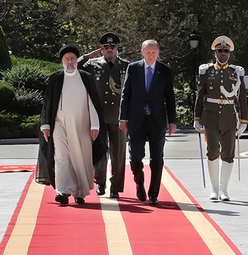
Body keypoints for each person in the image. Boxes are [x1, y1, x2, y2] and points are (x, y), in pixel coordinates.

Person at [36, 44, 106, 205]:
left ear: (76, 60)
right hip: (59, 124)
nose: (70, 62)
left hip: (82, 125)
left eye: (73, 58)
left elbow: (93, 102)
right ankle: (63, 191)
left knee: (80, 158)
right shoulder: (55, 78)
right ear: (62, 60)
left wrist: (95, 124)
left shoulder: (86, 77)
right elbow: (48, 103)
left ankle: (79, 192)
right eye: (67, 59)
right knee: (61, 157)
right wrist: (45, 124)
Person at [119, 39, 177, 205]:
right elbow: (126, 94)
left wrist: (172, 121)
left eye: (154, 52)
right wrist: (123, 118)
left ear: (158, 52)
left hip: (157, 120)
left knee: (157, 159)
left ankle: (154, 194)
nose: (151, 55)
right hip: (136, 120)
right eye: (148, 52)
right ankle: (139, 184)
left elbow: (170, 98)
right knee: (136, 157)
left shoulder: (164, 70)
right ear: (142, 52)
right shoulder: (133, 68)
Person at [193, 36, 248, 202]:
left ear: (229, 53)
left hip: (229, 117)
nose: (223, 53)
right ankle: (214, 188)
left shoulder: (236, 72)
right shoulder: (207, 71)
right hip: (209, 116)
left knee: (228, 154)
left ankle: (224, 189)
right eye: (220, 51)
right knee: (212, 151)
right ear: (215, 53)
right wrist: (197, 117)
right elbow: (200, 94)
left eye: (226, 51)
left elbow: (242, 97)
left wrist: (244, 120)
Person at [77, 32, 129, 198]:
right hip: (99, 116)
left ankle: (116, 187)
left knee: (118, 154)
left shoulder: (126, 65)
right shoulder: (93, 64)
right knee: (100, 151)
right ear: (102, 49)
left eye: (112, 47)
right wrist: (90, 54)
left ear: (117, 48)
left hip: (119, 116)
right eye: (105, 47)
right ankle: (100, 183)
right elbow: (77, 66)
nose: (109, 50)